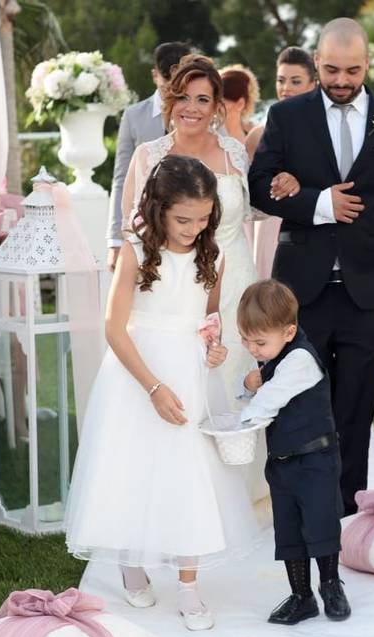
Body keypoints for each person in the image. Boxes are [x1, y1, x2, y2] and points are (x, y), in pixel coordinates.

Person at [64, 155, 259, 632]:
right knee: (136, 469)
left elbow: (208, 320)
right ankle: (131, 560)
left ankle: (188, 586)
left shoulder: (214, 255)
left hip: (189, 375)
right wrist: (152, 386)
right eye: (182, 219)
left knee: (190, 474)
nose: (193, 229)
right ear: (157, 209)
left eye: (202, 218)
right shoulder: (133, 251)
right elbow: (113, 329)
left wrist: (214, 348)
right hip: (138, 374)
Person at [249, 18, 374, 516]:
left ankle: (348, 520)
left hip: (369, 293)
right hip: (301, 294)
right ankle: (301, 511)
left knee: (355, 411)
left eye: (351, 70)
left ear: (367, 63)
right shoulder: (286, 116)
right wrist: (318, 203)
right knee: (299, 405)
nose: (341, 81)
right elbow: (260, 187)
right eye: (330, 69)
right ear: (315, 61)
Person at [119, 54, 296, 502]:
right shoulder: (150, 156)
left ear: (219, 105)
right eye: (183, 97)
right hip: (176, 290)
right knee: (190, 388)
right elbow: (132, 227)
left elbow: (257, 206)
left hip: (236, 283)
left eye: (203, 98)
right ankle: (188, 497)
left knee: (238, 386)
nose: (192, 107)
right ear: (169, 100)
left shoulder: (234, 153)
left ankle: (245, 499)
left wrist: (287, 183)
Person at [238, 279, 350, 626]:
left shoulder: (300, 359)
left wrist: (238, 424)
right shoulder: (271, 359)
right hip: (283, 462)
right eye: (246, 340)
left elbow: (269, 402)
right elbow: (256, 393)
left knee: (320, 523)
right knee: (288, 529)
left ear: (289, 331)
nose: (252, 348)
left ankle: (330, 585)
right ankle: (302, 596)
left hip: (315, 459)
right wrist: (248, 384)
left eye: (259, 342)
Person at [106, 41, 192, 271]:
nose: (172, 94)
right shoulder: (133, 117)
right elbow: (121, 179)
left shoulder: (201, 114)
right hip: (146, 229)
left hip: (193, 228)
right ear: (155, 76)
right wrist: (115, 241)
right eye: (167, 87)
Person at [245, 47, 318, 279]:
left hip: (313, 226)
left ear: (313, 83)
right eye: (281, 80)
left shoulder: (322, 133)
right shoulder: (257, 136)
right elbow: (250, 191)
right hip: (270, 227)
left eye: (295, 81)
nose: (286, 88)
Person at [219, 64, 259, 144]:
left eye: (222, 102)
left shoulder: (256, 134)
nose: (215, 105)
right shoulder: (206, 133)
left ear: (240, 104)